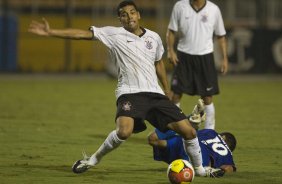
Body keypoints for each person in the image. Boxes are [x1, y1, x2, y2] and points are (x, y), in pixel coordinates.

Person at [28, 0, 221, 178]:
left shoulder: (153, 37)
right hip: (129, 93)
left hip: (155, 95)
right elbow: (83, 34)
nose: (129, 17)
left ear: (139, 15)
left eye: (132, 13)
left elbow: (159, 63)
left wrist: (167, 89)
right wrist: (51, 32)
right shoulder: (113, 34)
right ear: (119, 19)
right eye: (124, 14)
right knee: (124, 132)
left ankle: (200, 170)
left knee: (189, 132)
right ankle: (93, 159)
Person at [166, 0, 229, 130]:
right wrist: (170, 50)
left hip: (205, 57)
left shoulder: (213, 9)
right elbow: (171, 31)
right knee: (175, 95)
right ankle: (176, 128)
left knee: (207, 97)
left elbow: (221, 36)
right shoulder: (180, 6)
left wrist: (224, 58)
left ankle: (209, 131)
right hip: (183, 56)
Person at [147, 100, 237, 175]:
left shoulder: (211, 132)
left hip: (183, 143)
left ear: (223, 136)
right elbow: (228, 168)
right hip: (199, 160)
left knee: (153, 139)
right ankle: (205, 170)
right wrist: (221, 172)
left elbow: (191, 134)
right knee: (194, 169)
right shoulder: (228, 155)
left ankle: (190, 120)